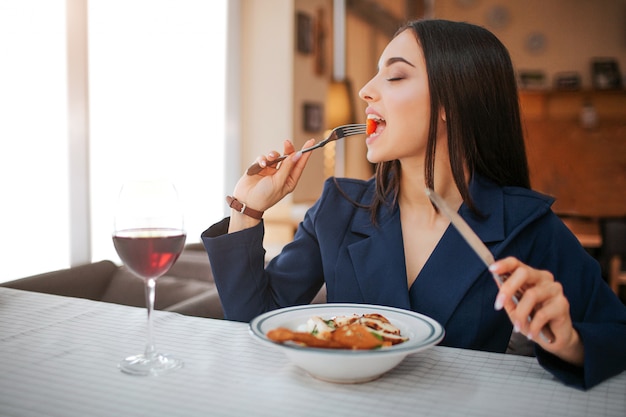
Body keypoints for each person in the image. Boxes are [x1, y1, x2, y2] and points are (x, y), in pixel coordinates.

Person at [202, 19, 626, 389]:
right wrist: (248, 210)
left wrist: (569, 341)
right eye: (375, 76)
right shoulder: (339, 207)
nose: (367, 91)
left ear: (452, 102)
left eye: (396, 76)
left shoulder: (525, 225)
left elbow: (616, 335)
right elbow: (252, 322)